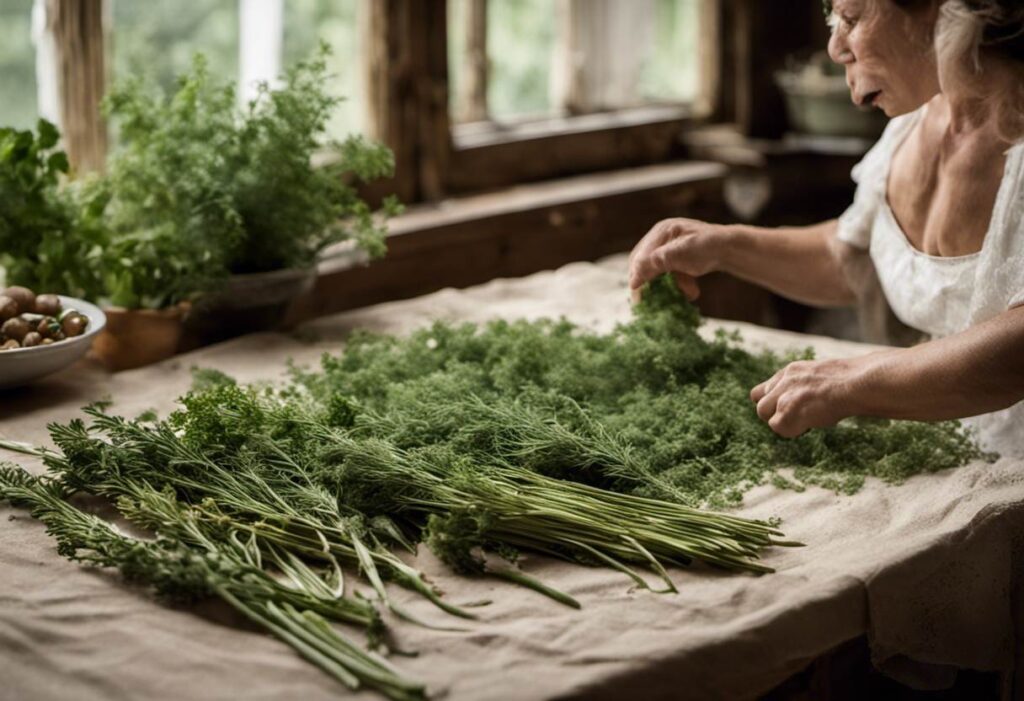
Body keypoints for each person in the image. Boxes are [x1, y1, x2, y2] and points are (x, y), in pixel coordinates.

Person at [628, 0, 1024, 455]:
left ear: (938, 9)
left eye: (851, 19)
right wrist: (722, 246)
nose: (836, 47)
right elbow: (854, 257)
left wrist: (853, 380)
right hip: (946, 453)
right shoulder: (917, 115)